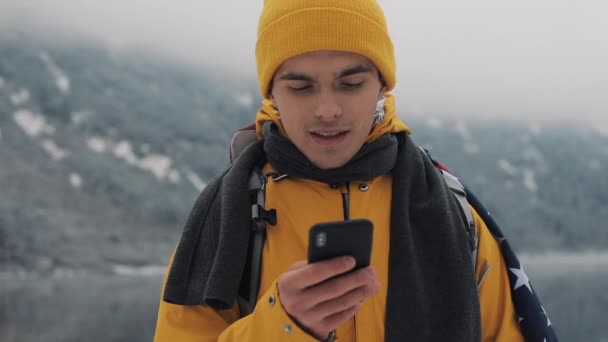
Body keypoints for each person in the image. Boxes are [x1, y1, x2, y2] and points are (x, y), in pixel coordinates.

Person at [153, 1, 541, 341]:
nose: (327, 109)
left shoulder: (453, 211)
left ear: (382, 86)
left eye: (351, 84)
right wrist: (284, 327)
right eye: (301, 88)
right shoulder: (227, 213)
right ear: (272, 94)